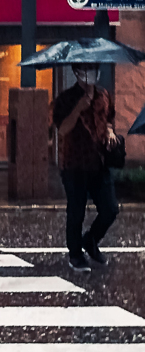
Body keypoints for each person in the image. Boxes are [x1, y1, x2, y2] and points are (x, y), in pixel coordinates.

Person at [52, 63, 119, 273]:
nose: (92, 74)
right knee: (76, 210)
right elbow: (62, 129)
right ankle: (75, 254)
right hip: (74, 163)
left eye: (94, 69)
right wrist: (79, 108)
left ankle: (90, 240)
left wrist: (110, 133)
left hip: (99, 162)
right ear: (77, 73)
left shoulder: (103, 95)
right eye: (87, 70)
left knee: (110, 209)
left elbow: (109, 120)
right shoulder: (65, 99)